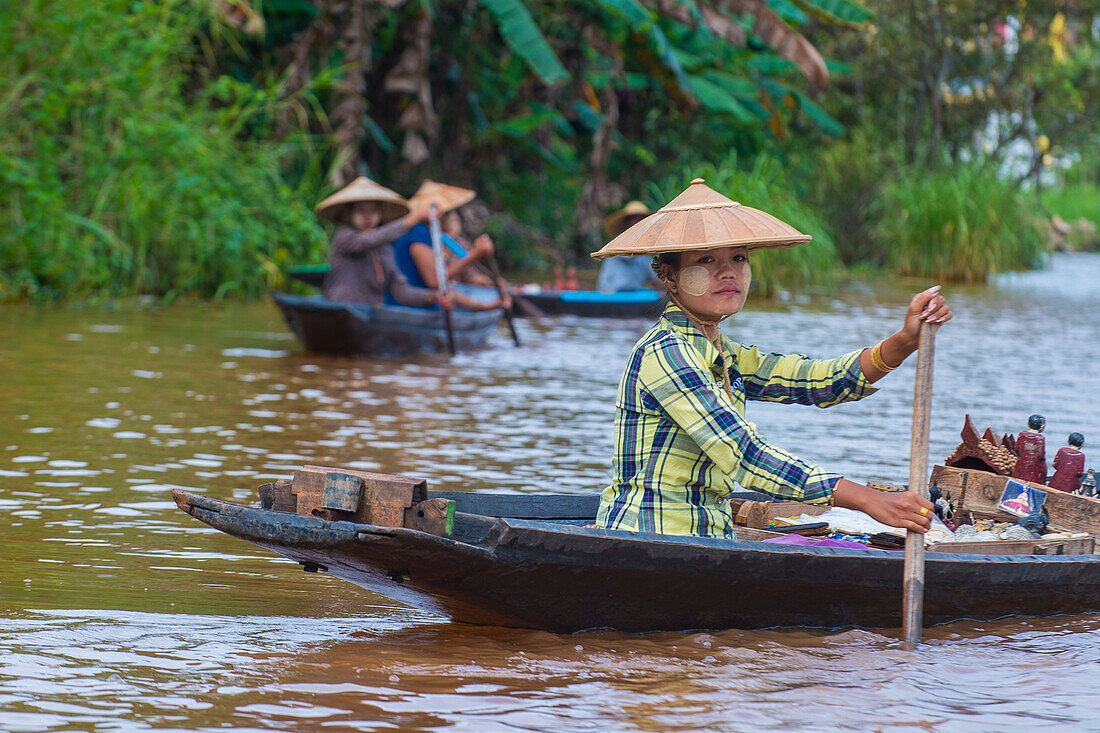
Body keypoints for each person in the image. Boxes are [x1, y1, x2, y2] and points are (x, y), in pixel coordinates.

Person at [590, 178, 952, 539]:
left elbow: (819, 380)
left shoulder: (723, 353)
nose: (728, 271)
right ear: (671, 279)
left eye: (738, 258)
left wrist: (905, 341)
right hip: (653, 533)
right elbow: (744, 454)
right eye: (706, 260)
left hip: (709, 534)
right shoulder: (666, 353)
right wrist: (867, 499)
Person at [316, 176, 451, 309]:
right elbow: (367, 241)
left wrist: (433, 296)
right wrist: (413, 219)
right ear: (348, 213)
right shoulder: (344, 235)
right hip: (340, 313)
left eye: (373, 210)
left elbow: (401, 291)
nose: (368, 217)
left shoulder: (384, 249)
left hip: (368, 317)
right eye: (360, 210)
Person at [389, 179, 505, 311]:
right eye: (450, 214)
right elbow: (435, 281)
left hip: (424, 300)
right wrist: (475, 254)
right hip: (412, 305)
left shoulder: (438, 238)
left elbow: (463, 279)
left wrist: (485, 303)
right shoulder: (419, 232)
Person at [595, 201, 664, 292]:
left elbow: (654, 279)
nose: (637, 223)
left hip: (632, 298)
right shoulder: (616, 245)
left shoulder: (642, 253)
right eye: (634, 219)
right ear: (625, 223)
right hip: (612, 296)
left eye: (641, 220)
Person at [1012, 414, 1048, 485]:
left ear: (1028, 424)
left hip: (1021, 464)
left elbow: (1016, 449)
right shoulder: (1040, 438)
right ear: (1042, 426)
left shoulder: (1022, 434)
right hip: (1034, 468)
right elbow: (1041, 456)